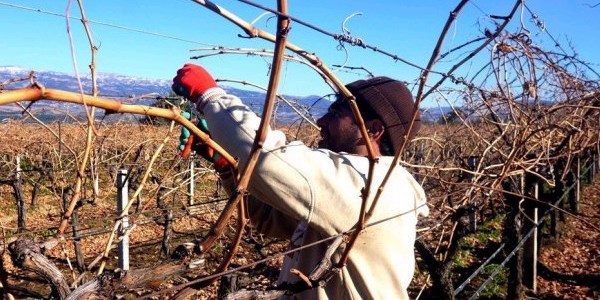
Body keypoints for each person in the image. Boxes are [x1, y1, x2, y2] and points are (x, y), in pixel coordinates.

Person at [172, 63, 429, 299]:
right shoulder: (345, 189)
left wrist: (210, 96)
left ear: (372, 130)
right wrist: (227, 167)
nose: (320, 120)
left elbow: (267, 159)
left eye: (336, 112)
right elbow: (271, 219)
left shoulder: (371, 185)